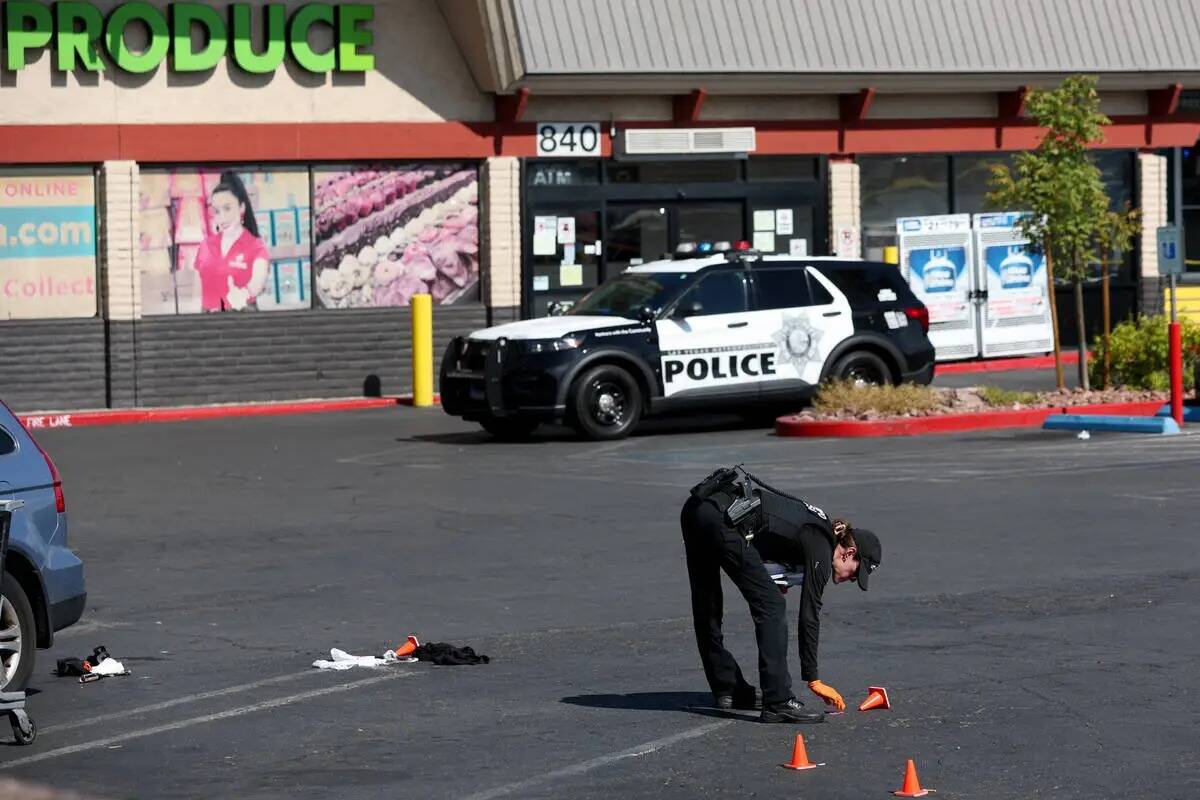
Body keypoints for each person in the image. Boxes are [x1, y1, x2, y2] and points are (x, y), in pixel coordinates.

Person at [680, 466, 882, 723]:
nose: (850, 580)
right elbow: (810, 616)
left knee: (707, 604)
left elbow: (768, 531)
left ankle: (728, 688)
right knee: (772, 607)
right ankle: (778, 700)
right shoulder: (822, 545)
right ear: (849, 553)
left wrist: (769, 579)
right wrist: (813, 678)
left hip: (698, 508)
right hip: (721, 518)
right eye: (855, 573)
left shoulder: (817, 528)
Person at [195, 171, 271, 312]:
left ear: (241, 207)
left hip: (242, 322)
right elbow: (197, 290)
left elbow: (256, 284)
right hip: (208, 324)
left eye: (227, 208)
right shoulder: (205, 246)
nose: (222, 218)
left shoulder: (256, 246)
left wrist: (243, 295)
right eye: (216, 211)